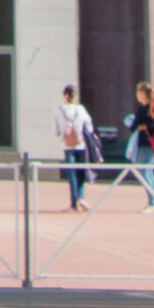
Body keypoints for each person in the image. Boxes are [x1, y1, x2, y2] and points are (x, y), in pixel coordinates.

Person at [53, 83, 99, 213]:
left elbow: (55, 131)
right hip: (81, 145)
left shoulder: (59, 110)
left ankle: (73, 204)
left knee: (71, 173)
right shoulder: (81, 109)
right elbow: (89, 127)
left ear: (65, 96)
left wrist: (63, 135)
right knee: (80, 172)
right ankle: (82, 198)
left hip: (67, 146)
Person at [127, 80, 154, 208]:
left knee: (145, 174)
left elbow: (132, 127)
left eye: (138, 92)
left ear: (143, 93)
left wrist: (139, 126)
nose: (137, 95)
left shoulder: (143, 110)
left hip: (145, 144)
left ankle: (152, 203)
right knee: (150, 173)